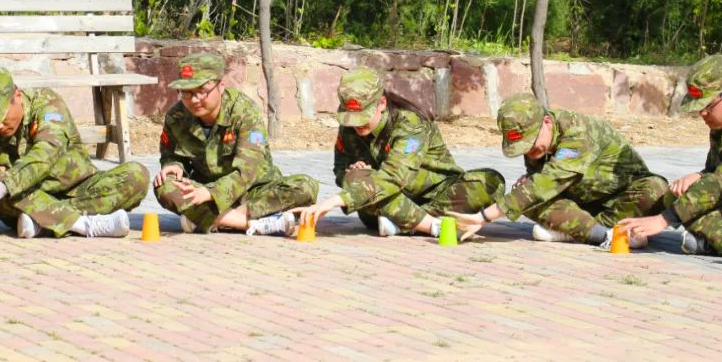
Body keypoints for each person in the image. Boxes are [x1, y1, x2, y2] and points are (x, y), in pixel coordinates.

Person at [294, 67, 504, 238]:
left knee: (490, 182)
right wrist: (351, 173)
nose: (357, 125)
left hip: (436, 194)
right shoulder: (349, 126)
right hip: (386, 200)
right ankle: (431, 226)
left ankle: (403, 224)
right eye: (351, 117)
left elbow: (394, 176)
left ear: (382, 103)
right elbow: (340, 168)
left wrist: (335, 201)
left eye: (363, 117)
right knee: (356, 179)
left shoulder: (410, 124)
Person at [451, 93, 670, 250]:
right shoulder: (538, 142)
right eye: (523, 147)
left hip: (621, 201)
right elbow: (539, 186)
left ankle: (578, 230)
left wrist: (484, 217)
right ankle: (605, 234)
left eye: (531, 143)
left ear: (547, 122)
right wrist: (528, 184)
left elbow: (546, 183)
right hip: (578, 203)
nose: (530, 151)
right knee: (526, 194)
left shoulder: (578, 133)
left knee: (656, 188)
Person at [0, 68, 149, 238]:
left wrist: (2, 186)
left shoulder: (47, 104)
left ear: (17, 96)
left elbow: (46, 153)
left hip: (77, 190)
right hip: (26, 197)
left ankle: (42, 223)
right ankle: (84, 225)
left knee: (136, 175)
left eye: (1, 117)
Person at [620, 55, 722, 261]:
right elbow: (717, 173)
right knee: (686, 200)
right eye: (699, 108)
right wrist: (700, 176)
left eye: (708, 107)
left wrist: (663, 220)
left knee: (689, 207)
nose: (702, 114)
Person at [153, 53, 318, 235]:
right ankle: (253, 223)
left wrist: (212, 193)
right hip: (205, 191)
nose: (194, 99)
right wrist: (173, 165)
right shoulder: (176, 117)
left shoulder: (245, 112)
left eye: (202, 91)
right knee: (164, 185)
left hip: (253, 190)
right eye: (186, 92)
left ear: (221, 86)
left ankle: (210, 219)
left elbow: (249, 169)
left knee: (306, 187)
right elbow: (170, 155)